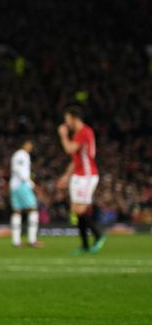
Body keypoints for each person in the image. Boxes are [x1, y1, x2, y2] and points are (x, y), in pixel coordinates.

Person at [56, 105, 106, 254]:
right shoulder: (79, 133)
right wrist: (66, 175)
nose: (66, 123)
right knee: (76, 211)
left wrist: (63, 135)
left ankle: (98, 235)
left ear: (75, 118)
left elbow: (69, 149)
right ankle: (85, 245)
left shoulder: (84, 132)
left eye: (67, 119)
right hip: (78, 174)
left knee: (80, 209)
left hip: (87, 175)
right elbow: (75, 158)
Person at [10, 140, 42, 248]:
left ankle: (16, 241)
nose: (30, 147)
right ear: (24, 145)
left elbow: (16, 168)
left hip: (14, 185)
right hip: (22, 184)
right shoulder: (22, 154)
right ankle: (32, 240)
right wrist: (32, 185)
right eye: (29, 145)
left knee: (17, 211)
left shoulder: (17, 154)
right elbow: (19, 169)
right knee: (33, 209)